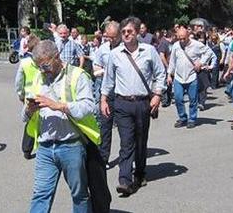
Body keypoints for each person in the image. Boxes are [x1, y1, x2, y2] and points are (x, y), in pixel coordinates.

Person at [22, 40, 98, 212]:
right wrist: (29, 109)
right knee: (40, 194)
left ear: (57, 57)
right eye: (39, 66)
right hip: (45, 148)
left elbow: (88, 107)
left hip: (71, 146)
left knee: (79, 194)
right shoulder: (37, 78)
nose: (42, 70)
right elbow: (23, 117)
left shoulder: (77, 75)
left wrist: (60, 106)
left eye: (46, 65)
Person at [101, 16, 166, 196]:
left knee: (140, 140)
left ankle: (140, 172)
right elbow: (108, 80)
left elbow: (160, 74)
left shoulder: (149, 51)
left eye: (129, 31)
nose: (126, 34)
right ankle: (124, 179)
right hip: (122, 103)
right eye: (123, 32)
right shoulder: (115, 54)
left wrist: (158, 95)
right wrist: (103, 99)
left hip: (143, 102)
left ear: (137, 32)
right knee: (126, 141)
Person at [167, 26, 213, 128]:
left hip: (191, 76)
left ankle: (192, 119)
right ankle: (182, 117)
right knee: (178, 98)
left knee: (193, 99)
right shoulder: (176, 46)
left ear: (188, 36)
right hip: (179, 77)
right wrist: (169, 74)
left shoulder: (196, 45)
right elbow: (172, 61)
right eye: (180, 38)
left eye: (184, 38)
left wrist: (201, 63)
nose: (182, 40)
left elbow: (209, 52)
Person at [92, 21, 120, 166]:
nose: (109, 40)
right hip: (107, 94)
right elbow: (96, 70)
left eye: (112, 37)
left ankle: (128, 158)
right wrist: (105, 71)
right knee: (105, 127)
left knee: (125, 129)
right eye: (107, 37)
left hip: (123, 95)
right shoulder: (102, 49)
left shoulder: (126, 49)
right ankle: (103, 158)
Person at [14, 34, 41, 159]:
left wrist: (20, 94)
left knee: (30, 122)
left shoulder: (24, 63)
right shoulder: (42, 60)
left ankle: (27, 149)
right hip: (42, 94)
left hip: (29, 96)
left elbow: (19, 82)